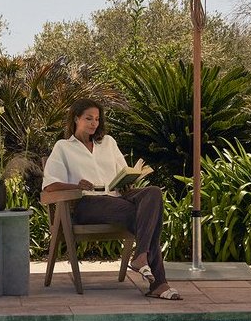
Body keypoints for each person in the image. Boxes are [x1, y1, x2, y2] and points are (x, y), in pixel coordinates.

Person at [42, 98, 182, 300]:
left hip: (118, 196)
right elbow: (49, 185)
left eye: (97, 119)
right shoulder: (63, 147)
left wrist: (128, 179)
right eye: (89, 118)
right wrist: (76, 185)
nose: (94, 123)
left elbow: (122, 172)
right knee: (148, 218)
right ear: (76, 118)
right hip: (88, 203)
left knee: (153, 193)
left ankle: (142, 257)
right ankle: (158, 282)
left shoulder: (108, 142)